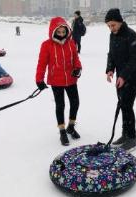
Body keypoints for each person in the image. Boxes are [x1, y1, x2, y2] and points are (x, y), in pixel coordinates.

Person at [35, 17, 82, 146]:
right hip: (56, 80)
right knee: (60, 105)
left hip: (71, 79)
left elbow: (76, 59)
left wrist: (78, 68)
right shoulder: (46, 45)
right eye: (59, 32)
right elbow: (42, 64)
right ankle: (62, 131)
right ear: (53, 31)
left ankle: (71, 127)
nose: (61, 34)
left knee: (75, 103)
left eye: (63, 32)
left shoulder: (71, 43)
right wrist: (39, 79)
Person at [105, 8, 136, 152]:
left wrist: (123, 76)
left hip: (133, 76)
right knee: (123, 105)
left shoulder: (132, 35)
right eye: (108, 26)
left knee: (127, 105)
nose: (111, 28)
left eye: (113, 25)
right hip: (121, 76)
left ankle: (131, 139)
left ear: (120, 22)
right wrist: (110, 69)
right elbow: (111, 54)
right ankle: (124, 135)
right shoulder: (112, 36)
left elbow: (135, 59)